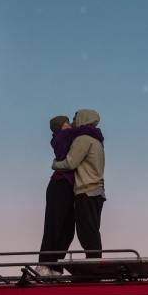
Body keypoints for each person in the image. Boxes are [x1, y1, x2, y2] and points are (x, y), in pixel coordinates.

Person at [51, 108, 106, 258]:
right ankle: (94, 262)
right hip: (96, 191)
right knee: (92, 229)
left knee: (87, 231)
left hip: (86, 191)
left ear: (83, 118)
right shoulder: (96, 140)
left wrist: (55, 164)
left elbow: (70, 163)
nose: (74, 122)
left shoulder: (83, 139)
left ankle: (94, 265)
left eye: (75, 118)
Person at [38, 115, 76, 267]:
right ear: (60, 126)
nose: (69, 125)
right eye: (66, 123)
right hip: (59, 185)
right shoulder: (59, 138)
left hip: (67, 187)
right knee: (54, 226)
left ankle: (55, 264)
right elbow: (73, 131)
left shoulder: (66, 135)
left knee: (67, 229)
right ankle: (45, 264)